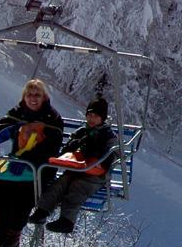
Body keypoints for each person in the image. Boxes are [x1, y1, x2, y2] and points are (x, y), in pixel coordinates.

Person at [0, 79, 64, 247]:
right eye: (29, 95)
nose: (33, 98)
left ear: (44, 97)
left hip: (40, 167)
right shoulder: (17, 114)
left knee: (22, 192)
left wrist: (30, 161)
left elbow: (52, 148)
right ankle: (2, 231)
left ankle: (14, 232)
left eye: (37, 95)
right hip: (17, 162)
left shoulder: (52, 119)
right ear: (24, 97)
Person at [28, 97, 118, 234]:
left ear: (102, 118)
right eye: (90, 115)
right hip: (76, 170)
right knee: (60, 184)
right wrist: (76, 144)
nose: (92, 119)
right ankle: (42, 211)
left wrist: (99, 155)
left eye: (96, 116)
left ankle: (67, 221)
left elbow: (112, 154)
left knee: (77, 188)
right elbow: (66, 151)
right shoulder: (82, 132)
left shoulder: (108, 135)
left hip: (95, 176)